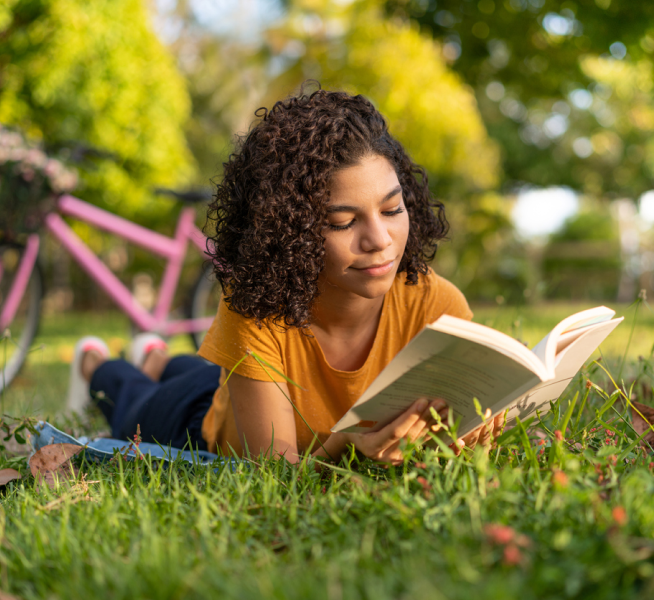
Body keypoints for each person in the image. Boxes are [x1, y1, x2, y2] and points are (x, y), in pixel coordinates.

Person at [67, 87, 502, 465]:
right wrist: (347, 445)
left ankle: (156, 357)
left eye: (392, 210)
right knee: (130, 402)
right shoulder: (256, 305)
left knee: (192, 368)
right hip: (198, 419)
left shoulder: (436, 305)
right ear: (290, 230)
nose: (380, 240)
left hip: (241, 378)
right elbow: (275, 474)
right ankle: (93, 363)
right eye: (343, 222)